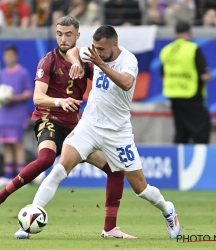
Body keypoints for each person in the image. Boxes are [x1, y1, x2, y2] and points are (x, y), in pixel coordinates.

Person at [0, 16, 136, 240]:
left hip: (76, 127)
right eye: (59, 34)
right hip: (49, 118)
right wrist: (60, 101)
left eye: (68, 34)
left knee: (115, 170)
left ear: (77, 36)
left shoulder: (89, 60)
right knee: (46, 159)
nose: (63, 39)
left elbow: (104, 79)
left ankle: (109, 229)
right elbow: (38, 97)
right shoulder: (47, 61)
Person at [28, 25, 181, 239]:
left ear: (114, 44)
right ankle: (30, 220)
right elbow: (72, 49)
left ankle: (168, 210)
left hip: (118, 132)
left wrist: (101, 64)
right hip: (89, 125)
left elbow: (127, 83)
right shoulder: (92, 53)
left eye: (101, 49)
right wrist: (76, 63)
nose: (97, 53)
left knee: (141, 189)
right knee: (59, 169)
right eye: (95, 48)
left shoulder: (128, 60)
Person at [160, 21, 211, 144]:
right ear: (189, 32)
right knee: (201, 131)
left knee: (181, 132)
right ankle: (201, 161)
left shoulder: (166, 50)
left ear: (175, 33)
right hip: (192, 95)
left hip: (174, 95)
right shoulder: (192, 49)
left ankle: (180, 159)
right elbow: (204, 75)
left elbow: (163, 75)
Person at [0, 45, 33, 187]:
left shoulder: (23, 73)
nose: (8, 58)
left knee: (17, 144)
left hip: (17, 115)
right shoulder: (1, 73)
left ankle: (22, 178)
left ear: (16, 56)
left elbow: (29, 92)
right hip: (4, 115)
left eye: (11, 55)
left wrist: (14, 98)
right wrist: (0, 97)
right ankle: (7, 176)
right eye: (6, 55)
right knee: (7, 144)